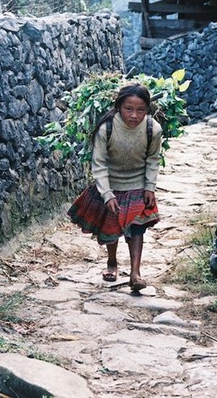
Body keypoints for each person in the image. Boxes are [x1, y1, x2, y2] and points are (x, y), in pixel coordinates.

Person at [67, 82, 163, 292]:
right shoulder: (107, 128)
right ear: (119, 106)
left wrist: (150, 187)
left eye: (141, 110)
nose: (134, 115)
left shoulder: (152, 129)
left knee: (137, 226)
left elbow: (153, 159)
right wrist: (107, 194)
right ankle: (112, 262)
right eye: (129, 109)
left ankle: (135, 273)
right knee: (112, 226)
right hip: (111, 184)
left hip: (138, 184)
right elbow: (99, 163)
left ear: (147, 110)